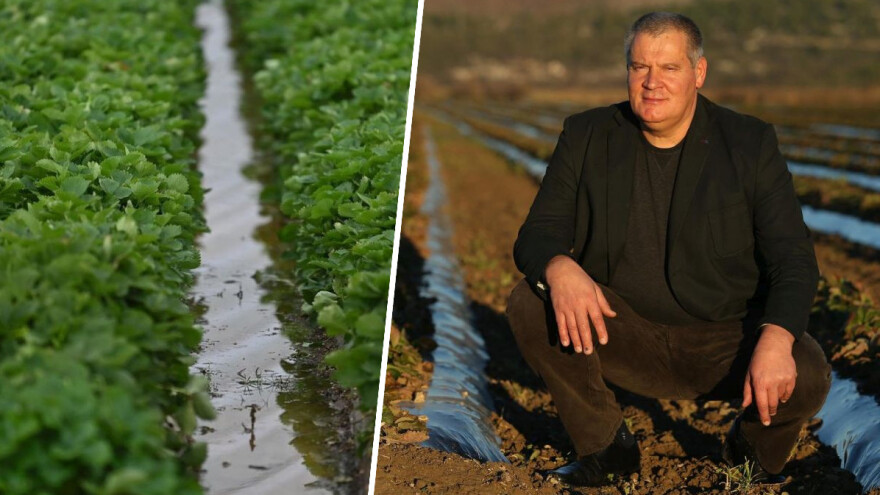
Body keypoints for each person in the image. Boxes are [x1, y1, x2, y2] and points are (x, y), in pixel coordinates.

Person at [507, 12, 831, 488]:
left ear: (698, 73)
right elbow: (538, 233)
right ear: (628, 72)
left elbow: (793, 258)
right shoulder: (587, 135)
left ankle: (752, 449)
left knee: (805, 373)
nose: (652, 82)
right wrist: (559, 266)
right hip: (623, 331)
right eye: (640, 67)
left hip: (723, 340)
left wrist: (776, 338)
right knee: (532, 302)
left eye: (669, 68)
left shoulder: (747, 142)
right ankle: (606, 447)